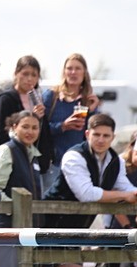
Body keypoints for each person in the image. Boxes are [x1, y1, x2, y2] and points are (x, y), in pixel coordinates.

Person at [43, 113, 137, 267]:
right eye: (96, 134)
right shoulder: (74, 156)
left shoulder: (115, 160)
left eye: (106, 136)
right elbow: (86, 193)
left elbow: (123, 185)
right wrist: (126, 195)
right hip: (50, 226)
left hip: (75, 231)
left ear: (113, 137)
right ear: (87, 134)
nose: (101, 140)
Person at [42, 53, 101, 189]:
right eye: (69, 68)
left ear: (84, 73)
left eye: (77, 68)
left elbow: (94, 135)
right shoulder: (52, 96)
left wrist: (92, 111)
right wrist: (62, 126)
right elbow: (39, 129)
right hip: (53, 163)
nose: (73, 72)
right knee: (49, 206)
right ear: (64, 72)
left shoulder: (88, 99)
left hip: (78, 164)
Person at [0, 55, 53, 175]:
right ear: (16, 73)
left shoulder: (37, 100)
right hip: (13, 163)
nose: (29, 79)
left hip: (35, 165)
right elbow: (0, 134)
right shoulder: (6, 99)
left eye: (34, 75)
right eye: (25, 74)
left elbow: (45, 135)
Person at [0, 111, 44, 229]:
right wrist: (17, 207)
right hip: (7, 224)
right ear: (14, 127)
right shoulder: (6, 150)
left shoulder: (34, 156)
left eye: (35, 128)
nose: (30, 132)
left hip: (30, 225)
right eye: (25, 127)